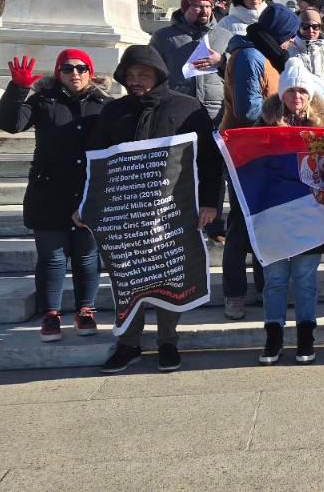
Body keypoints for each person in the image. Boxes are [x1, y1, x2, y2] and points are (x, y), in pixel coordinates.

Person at [87, 45, 224, 373]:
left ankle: (167, 341)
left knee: (169, 276)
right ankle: (128, 342)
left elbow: (209, 161)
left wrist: (210, 203)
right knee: (128, 276)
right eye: (130, 75)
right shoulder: (112, 112)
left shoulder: (188, 108)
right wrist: (87, 204)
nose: (135, 81)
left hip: (172, 212)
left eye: (143, 75)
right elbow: (96, 162)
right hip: (126, 215)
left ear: (158, 75)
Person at [0, 49, 112, 342]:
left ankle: (86, 311)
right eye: (68, 68)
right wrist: (18, 88)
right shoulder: (42, 101)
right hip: (50, 191)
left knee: (87, 255)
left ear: (90, 72)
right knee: (52, 257)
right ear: (58, 73)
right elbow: (11, 123)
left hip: (89, 192)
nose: (75, 73)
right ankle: (51, 315)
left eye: (82, 68)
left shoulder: (104, 105)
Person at [220, 3, 301, 319]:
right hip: (246, 152)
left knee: (263, 222)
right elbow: (248, 111)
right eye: (288, 36)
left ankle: (265, 287)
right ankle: (234, 293)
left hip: (262, 150)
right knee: (241, 224)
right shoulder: (251, 58)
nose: (290, 42)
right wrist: (284, 116)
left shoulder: (263, 56)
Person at [257, 64, 324, 365]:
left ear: (310, 93)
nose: (297, 96)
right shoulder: (262, 124)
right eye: (291, 90)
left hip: (309, 211)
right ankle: (273, 335)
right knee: (275, 278)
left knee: (304, 279)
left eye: (302, 90)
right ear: (282, 93)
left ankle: (306, 335)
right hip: (273, 210)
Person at [149, 0, 231, 122]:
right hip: (177, 110)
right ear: (185, 8)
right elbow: (151, 71)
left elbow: (240, 70)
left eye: (207, 6)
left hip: (215, 112)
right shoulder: (163, 38)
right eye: (197, 6)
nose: (204, 11)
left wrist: (223, 61)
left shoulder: (225, 36)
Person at [290, 8, 324, 79]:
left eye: (315, 27)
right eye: (305, 27)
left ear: (320, 27)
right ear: (299, 27)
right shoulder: (290, 49)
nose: (310, 30)